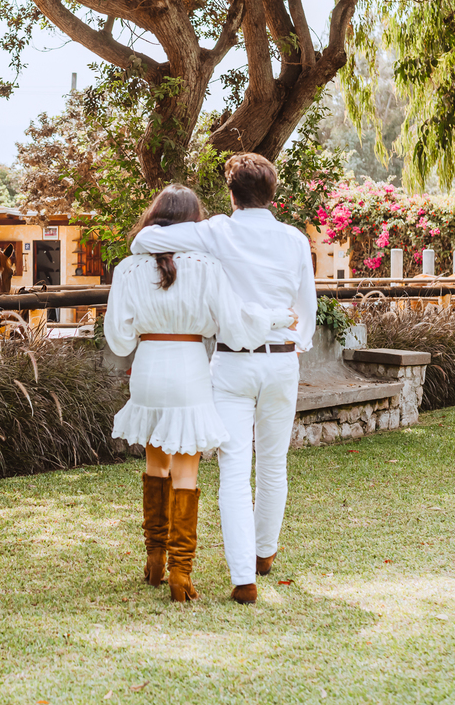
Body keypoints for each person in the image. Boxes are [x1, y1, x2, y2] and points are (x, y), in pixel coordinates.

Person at [129, 153, 316, 605]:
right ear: (272, 195)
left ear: (232, 194)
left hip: (232, 362)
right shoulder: (293, 240)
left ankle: (243, 578)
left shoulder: (216, 230)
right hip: (282, 359)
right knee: (274, 462)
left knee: (234, 469)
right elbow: (305, 305)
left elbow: (147, 240)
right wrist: (292, 339)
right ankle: (264, 555)